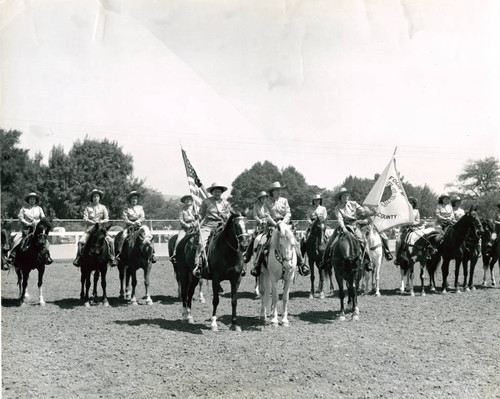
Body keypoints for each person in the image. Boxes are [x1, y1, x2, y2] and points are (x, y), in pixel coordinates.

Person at [321, 188, 392, 270]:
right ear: (340, 197)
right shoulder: (337, 208)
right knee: (331, 241)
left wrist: (372, 212)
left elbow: (363, 211)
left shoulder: (353, 204)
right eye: (344, 195)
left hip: (354, 225)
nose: (346, 196)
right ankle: (325, 260)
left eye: (347, 195)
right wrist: (343, 228)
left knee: (362, 240)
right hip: (343, 226)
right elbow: (339, 219)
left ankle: (367, 260)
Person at [250, 182, 308, 277]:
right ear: (272, 192)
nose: (279, 191)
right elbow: (267, 215)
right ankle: (257, 265)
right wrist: (275, 223)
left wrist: (283, 222)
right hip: (271, 225)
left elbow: (288, 213)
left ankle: (301, 264)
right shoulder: (267, 202)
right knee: (262, 242)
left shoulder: (284, 200)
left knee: (295, 242)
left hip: (284, 224)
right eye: (276, 190)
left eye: (280, 190)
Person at [192, 183, 233, 278]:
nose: (217, 193)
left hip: (221, 225)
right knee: (201, 243)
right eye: (215, 191)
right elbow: (201, 214)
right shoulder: (206, 201)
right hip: (208, 225)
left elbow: (228, 215)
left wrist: (225, 215)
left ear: (221, 192)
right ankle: (198, 264)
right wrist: (198, 216)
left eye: (219, 191)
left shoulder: (226, 203)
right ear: (212, 192)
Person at [73, 189, 116, 267]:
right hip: (90, 229)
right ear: (92, 198)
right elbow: (85, 218)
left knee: (111, 241)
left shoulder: (103, 207)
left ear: (99, 198)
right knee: (80, 242)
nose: (96, 198)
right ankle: (78, 258)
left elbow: (107, 218)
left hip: (101, 229)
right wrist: (92, 222)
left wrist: (101, 222)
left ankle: (112, 257)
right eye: (94, 196)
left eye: (97, 196)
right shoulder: (88, 208)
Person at [6, 192, 47, 267]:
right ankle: (13, 255)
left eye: (34, 199)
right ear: (28, 200)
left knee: (45, 241)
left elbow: (43, 218)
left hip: (37, 229)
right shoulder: (23, 209)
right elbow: (21, 218)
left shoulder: (39, 208)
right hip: (26, 229)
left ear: (36, 200)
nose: (32, 200)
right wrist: (28, 224)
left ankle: (47, 256)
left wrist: (38, 223)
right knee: (17, 240)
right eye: (31, 199)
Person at [118, 191, 156, 264]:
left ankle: (152, 253)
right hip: (129, 226)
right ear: (130, 200)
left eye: (136, 198)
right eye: (133, 198)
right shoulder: (126, 208)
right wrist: (131, 223)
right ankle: (119, 253)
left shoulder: (140, 208)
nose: (134, 200)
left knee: (149, 234)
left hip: (139, 225)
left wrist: (138, 221)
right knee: (123, 236)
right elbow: (125, 218)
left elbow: (142, 217)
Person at [394, 197, 422, 265]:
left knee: (423, 238)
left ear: (413, 204)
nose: (410, 203)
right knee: (398, 241)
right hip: (404, 229)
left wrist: (413, 223)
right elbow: (400, 220)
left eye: (411, 202)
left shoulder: (416, 211)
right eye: (408, 202)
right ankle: (398, 256)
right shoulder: (402, 211)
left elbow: (418, 221)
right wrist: (406, 223)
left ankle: (424, 254)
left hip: (413, 229)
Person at [243, 191, 268, 264]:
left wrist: (268, 220)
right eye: (262, 198)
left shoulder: (268, 205)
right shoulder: (256, 206)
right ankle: (248, 254)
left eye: (265, 197)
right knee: (253, 238)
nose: (264, 199)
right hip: (260, 225)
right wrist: (260, 221)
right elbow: (255, 216)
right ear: (260, 199)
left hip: (268, 223)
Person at [170, 194, 197, 263]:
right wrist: (187, 226)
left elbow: (199, 217)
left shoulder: (195, 209)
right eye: (186, 199)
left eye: (189, 199)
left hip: (195, 226)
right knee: (179, 239)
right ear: (184, 201)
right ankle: (175, 254)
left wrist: (196, 223)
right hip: (185, 227)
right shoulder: (182, 210)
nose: (188, 201)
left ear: (192, 201)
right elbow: (181, 220)